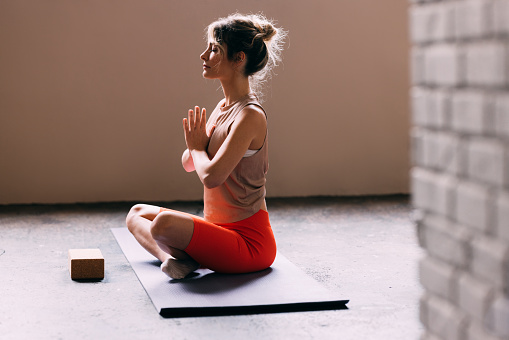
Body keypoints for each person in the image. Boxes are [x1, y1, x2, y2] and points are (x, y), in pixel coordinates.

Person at [125, 13, 286, 279]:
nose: (204, 56)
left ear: (239, 59)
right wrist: (196, 146)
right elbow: (190, 164)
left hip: (249, 243)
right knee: (136, 214)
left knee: (163, 224)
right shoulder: (223, 108)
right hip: (218, 228)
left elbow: (211, 177)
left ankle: (186, 257)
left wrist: (198, 147)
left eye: (214, 50)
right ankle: (175, 261)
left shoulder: (250, 115)